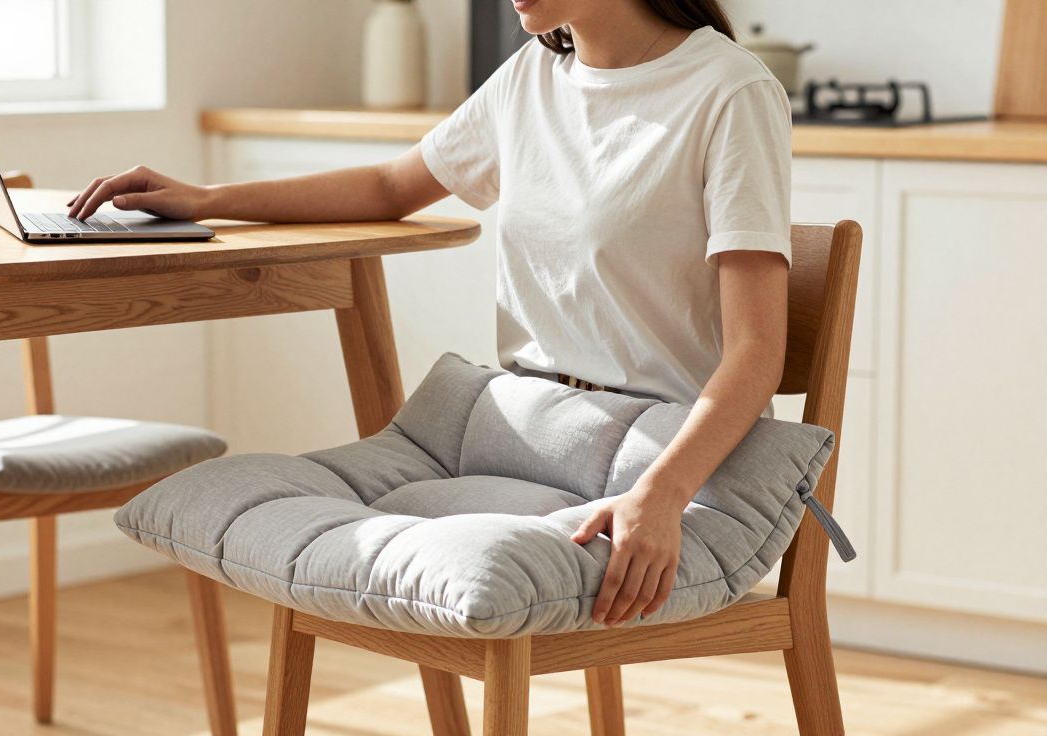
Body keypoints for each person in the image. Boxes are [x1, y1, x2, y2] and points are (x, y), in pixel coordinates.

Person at [68, 0, 791, 631]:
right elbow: (392, 184)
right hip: (531, 430)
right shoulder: (532, 76)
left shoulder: (728, 91)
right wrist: (204, 199)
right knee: (308, 542)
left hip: (652, 458)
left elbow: (756, 348)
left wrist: (659, 496)